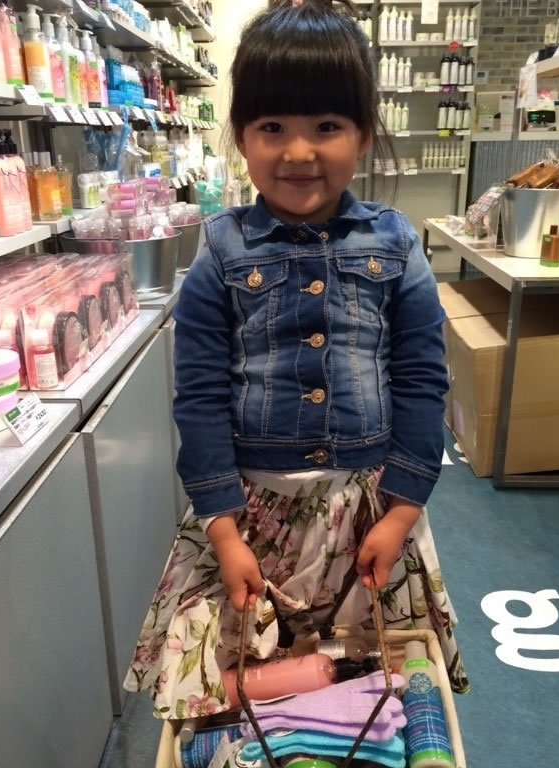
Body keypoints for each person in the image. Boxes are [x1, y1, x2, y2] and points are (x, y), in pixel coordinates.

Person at [125, 0, 468, 720]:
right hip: (248, 513)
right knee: (236, 689)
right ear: (241, 137)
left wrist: (403, 510)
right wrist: (222, 530)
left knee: (369, 674)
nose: (299, 152)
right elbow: (199, 396)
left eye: (327, 127)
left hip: (369, 510)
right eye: (273, 127)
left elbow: (421, 379)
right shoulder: (220, 252)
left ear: (364, 134)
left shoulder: (396, 243)